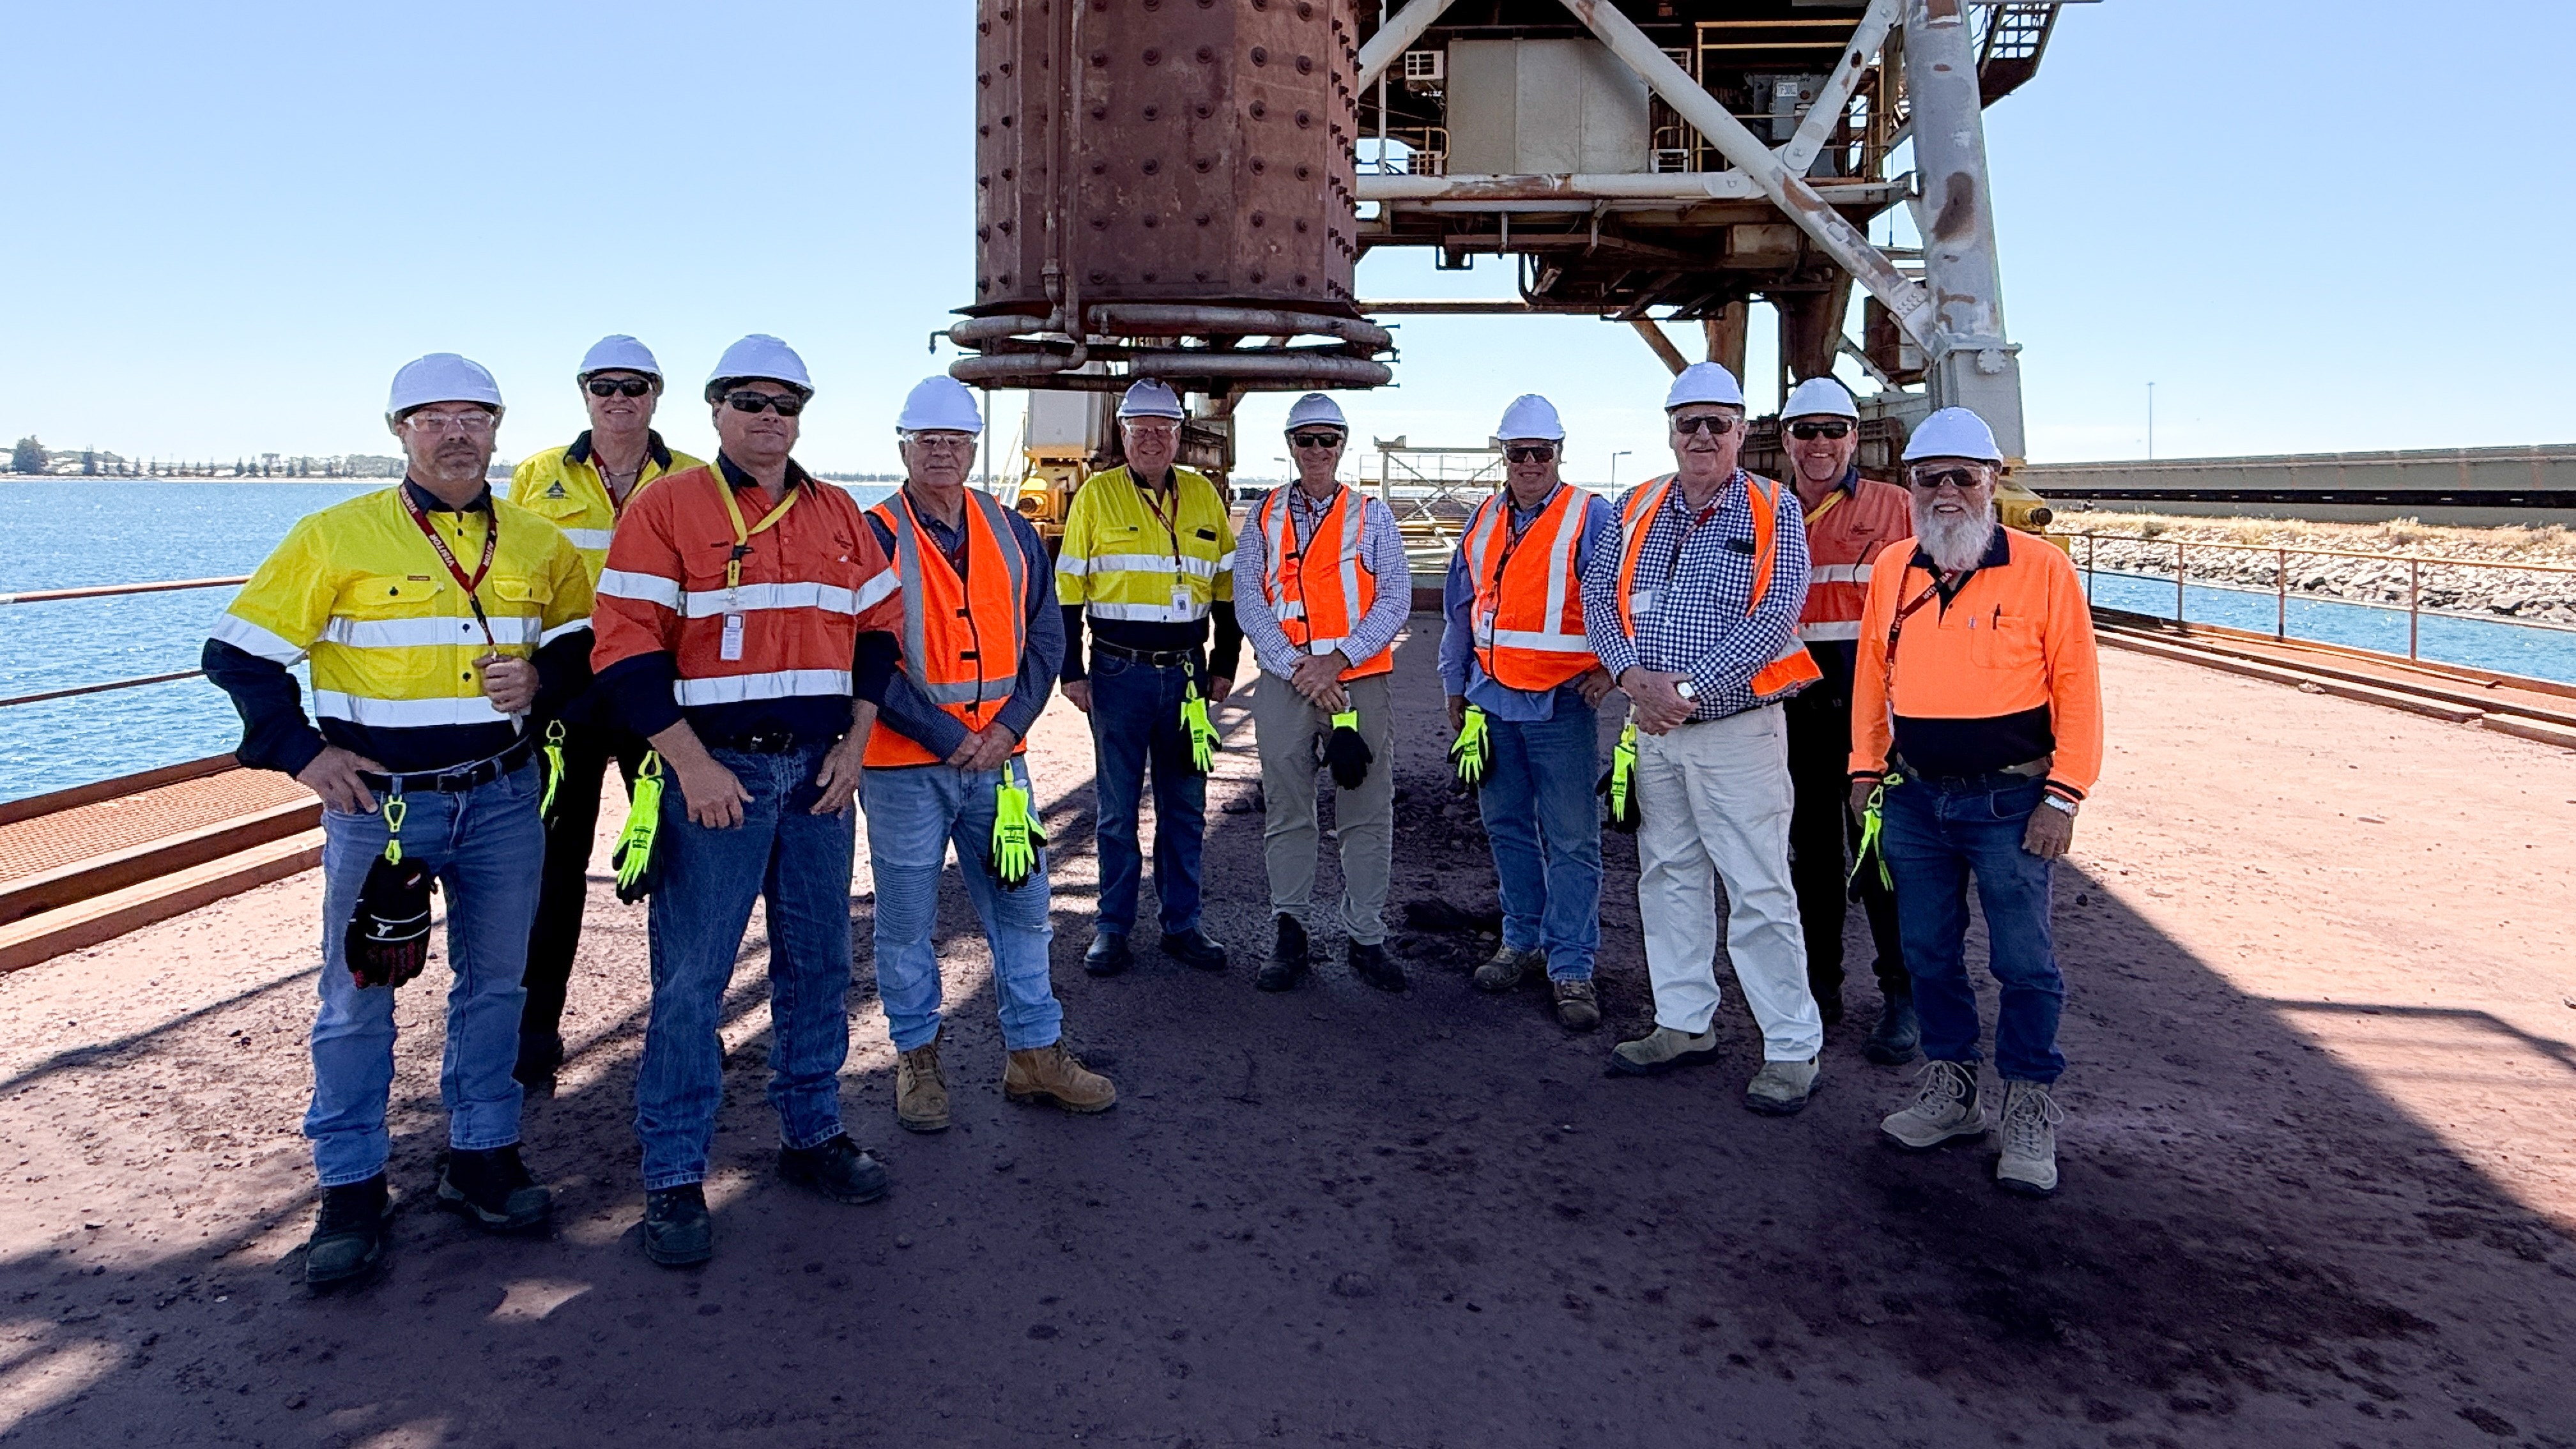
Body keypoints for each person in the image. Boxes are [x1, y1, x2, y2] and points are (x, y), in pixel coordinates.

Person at [203, 354, 595, 1288]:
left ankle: (482, 1157)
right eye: (434, 418)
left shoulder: (542, 544)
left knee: (496, 986)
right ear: (400, 432)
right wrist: (304, 755)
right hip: (381, 811)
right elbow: (238, 657)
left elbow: (583, 651)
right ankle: (350, 1186)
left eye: (473, 417)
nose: (456, 433)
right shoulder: (336, 537)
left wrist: (541, 683)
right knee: (357, 1000)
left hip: (504, 796)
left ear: (498, 428)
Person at [590, 335, 903, 1267]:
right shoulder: (667, 509)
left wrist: (855, 746)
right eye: (752, 402)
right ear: (716, 410)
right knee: (692, 983)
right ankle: (675, 1176)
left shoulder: (840, 513)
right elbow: (624, 651)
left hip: (817, 777)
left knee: (818, 966)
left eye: (788, 405)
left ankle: (810, 1134)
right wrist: (689, 766)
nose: (772, 419)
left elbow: (879, 636)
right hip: (716, 779)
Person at [1850, 406, 2103, 1196]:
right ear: (1912, 487)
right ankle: (1953, 1090)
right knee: (1927, 953)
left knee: (2025, 963)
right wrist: (1864, 770)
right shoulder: (1895, 567)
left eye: (1965, 475)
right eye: (1932, 478)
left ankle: (2028, 1103)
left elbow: (2078, 688)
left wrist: (2064, 795)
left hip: (2012, 803)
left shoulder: (2043, 569)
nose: (1949, 491)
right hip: (1917, 802)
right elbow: (1871, 677)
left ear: (1994, 481)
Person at [857, 377, 1114, 1131]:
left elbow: (1047, 639)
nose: (942, 450)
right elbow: (864, 652)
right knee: (905, 921)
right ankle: (918, 1057)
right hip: (904, 765)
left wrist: (1005, 731)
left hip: (1002, 763)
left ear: (972, 447)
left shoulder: (1013, 529)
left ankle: (1035, 1053)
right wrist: (949, 736)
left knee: (1025, 908)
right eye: (927, 439)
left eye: (955, 439)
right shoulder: (874, 534)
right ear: (903, 446)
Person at [1583, 361, 1827, 1115]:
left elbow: (1773, 617)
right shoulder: (1639, 505)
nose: (1701, 436)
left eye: (1717, 423)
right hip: (1652, 726)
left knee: (1757, 886)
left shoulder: (1773, 509)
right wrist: (1629, 677)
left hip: (1733, 731)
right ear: (1670, 431)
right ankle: (1684, 1022)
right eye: (1688, 423)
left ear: (1741, 432)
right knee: (1669, 876)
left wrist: (1684, 691)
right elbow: (1598, 593)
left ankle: (1790, 1046)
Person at [506, 335, 705, 1094]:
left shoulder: (693, 477)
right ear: (583, 393)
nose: (618, 398)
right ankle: (534, 1032)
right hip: (568, 700)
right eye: (603, 386)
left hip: (660, 695)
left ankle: (685, 1027)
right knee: (551, 871)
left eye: (634, 386)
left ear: (657, 395)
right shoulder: (536, 477)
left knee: (679, 866)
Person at [1438, 394, 1617, 1031]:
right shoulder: (1484, 520)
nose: (1531, 462)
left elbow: (1620, 601)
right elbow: (1462, 610)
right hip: (1492, 707)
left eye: (1542, 452)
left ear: (1560, 455)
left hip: (1561, 707)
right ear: (1504, 457)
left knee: (1572, 841)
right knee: (1508, 827)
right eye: (1520, 453)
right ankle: (1522, 939)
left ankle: (1571, 965)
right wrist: (1454, 686)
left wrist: (1609, 668)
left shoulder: (1590, 516)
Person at [1055, 379, 1243, 977]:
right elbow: (1067, 590)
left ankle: (1182, 925)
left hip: (1188, 677)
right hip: (1117, 674)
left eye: (1164, 429)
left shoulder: (1204, 497)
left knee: (1185, 807)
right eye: (1141, 429)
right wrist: (1072, 671)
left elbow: (1227, 590)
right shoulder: (1095, 496)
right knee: (1116, 811)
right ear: (1124, 433)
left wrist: (1224, 667)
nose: (1153, 439)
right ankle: (1111, 928)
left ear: (1180, 436)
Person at [1234, 393, 1412, 992]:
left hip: (1357, 680)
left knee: (1366, 807)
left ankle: (1366, 934)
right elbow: (1250, 602)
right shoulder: (1262, 517)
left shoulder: (1374, 516)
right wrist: (1295, 667)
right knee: (1288, 808)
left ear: (1343, 444)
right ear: (1290, 447)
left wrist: (1336, 662)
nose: (1317, 450)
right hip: (1288, 684)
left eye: (1327, 439)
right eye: (1305, 440)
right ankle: (1290, 929)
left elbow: (1394, 599)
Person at [1774, 376, 1919, 1064]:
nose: (1820, 444)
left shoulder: (1900, 510)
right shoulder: (1765, 512)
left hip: (1874, 721)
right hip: (1794, 713)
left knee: (1885, 856)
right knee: (1811, 858)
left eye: (1834, 430)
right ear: (1786, 441)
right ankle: (1820, 987)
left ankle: (1902, 996)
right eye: (1807, 432)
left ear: (1855, 438)